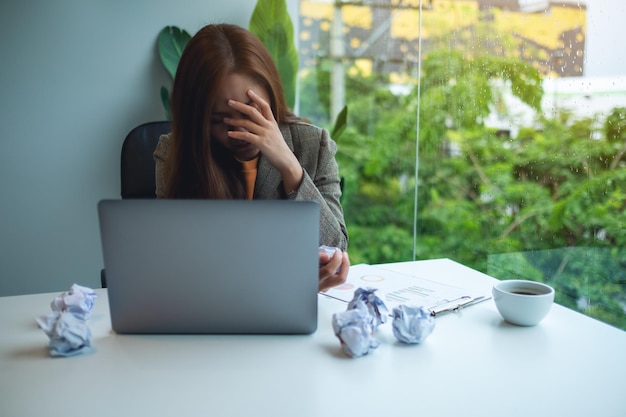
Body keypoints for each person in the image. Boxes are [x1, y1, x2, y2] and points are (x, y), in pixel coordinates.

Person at [153, 23, 349, 291]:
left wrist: (290, 167)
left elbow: (336, 249)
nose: (239, 132)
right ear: (197, 119)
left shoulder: (313, 146)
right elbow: (174, 264)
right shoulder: (176, 153)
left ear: (270, 93)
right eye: (218, 120)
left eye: (250, 113)